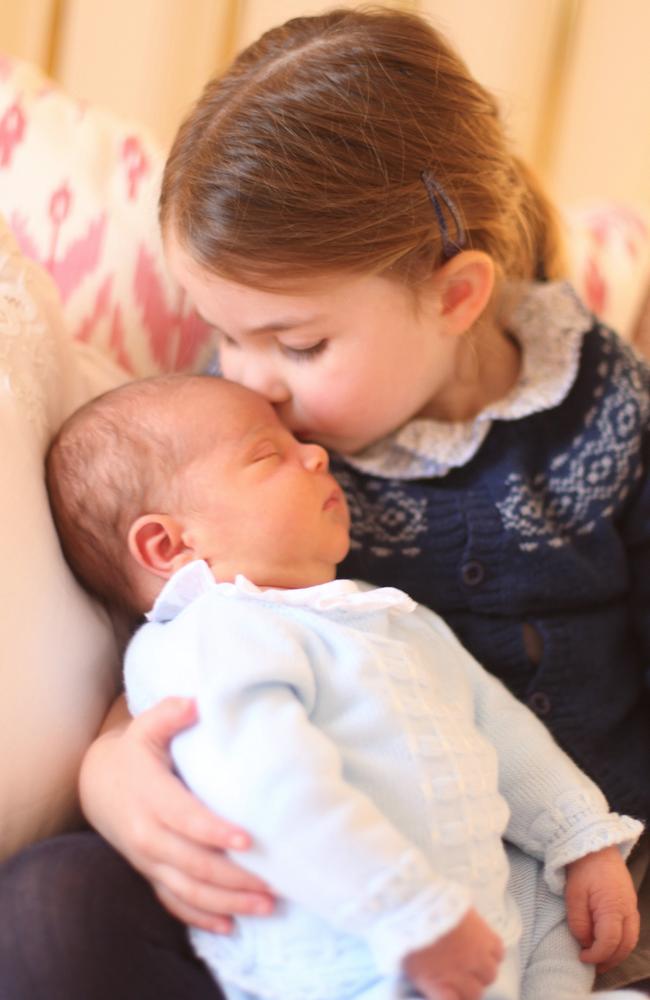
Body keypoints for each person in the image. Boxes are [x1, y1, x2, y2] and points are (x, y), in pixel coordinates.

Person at [0, 6, 649, 999]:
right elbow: (179, 620)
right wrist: (110, 768)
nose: (249, 379)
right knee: (52, 905)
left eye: (296, 345)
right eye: (224, 333)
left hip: (583, 875)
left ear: (456, 295)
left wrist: (588, 844)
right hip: (323, 874)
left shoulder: (604, 409)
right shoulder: (238, 431)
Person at [44, 372, 643, 1000]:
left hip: (493, 944)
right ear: (170, 544)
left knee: (563, 932)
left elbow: (500, 729)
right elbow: (270, 790)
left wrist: (578, 839)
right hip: (358, 956)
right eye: (268, 453)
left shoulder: (391, 617)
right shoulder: (210, 635)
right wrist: (407, 916)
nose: (316, 454)